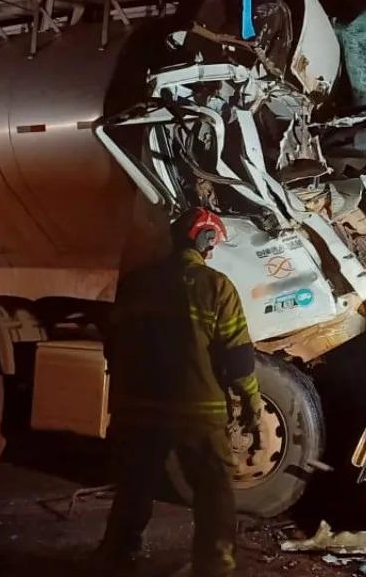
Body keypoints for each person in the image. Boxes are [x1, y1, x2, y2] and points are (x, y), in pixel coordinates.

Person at [98, 207, 261, 576]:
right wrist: (250, 399)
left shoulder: (135, 284)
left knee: (134, 487)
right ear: (205, 240)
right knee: (213, 492)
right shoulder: (216, 286)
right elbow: (236, 361)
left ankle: (116, 555)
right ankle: (215, 564)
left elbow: (113, 345)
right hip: (195, 412)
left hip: (135, 411)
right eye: (213, 241)